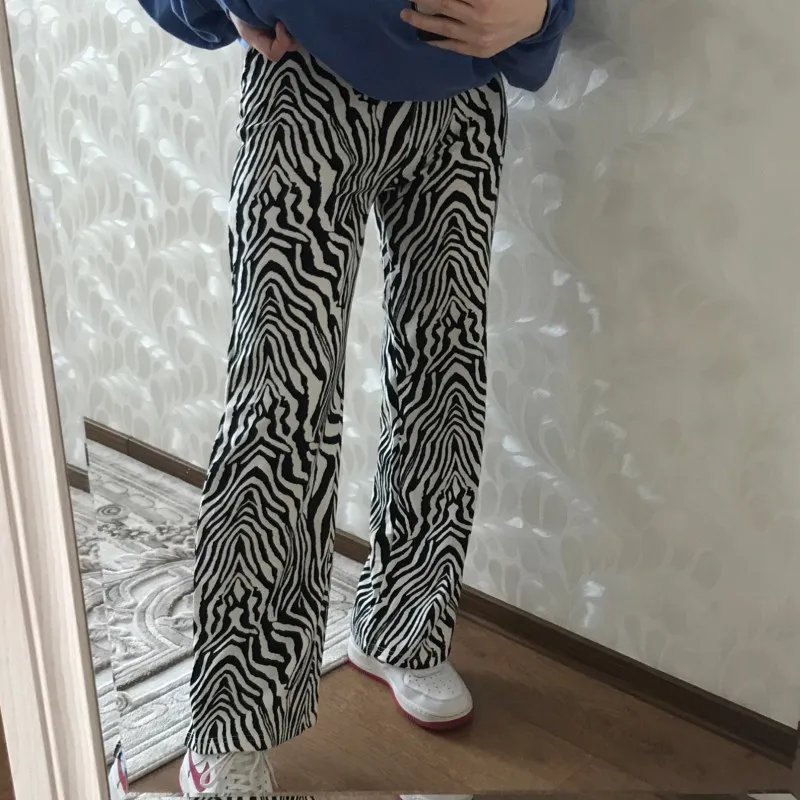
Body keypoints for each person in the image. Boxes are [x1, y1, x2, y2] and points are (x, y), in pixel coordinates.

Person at [127, 0, 575, 794]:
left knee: (445, 378)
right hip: (308, 84)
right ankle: (234, 718)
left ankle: (405, 625)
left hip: (460, 97)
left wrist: (543, 10)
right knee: (279, 402)